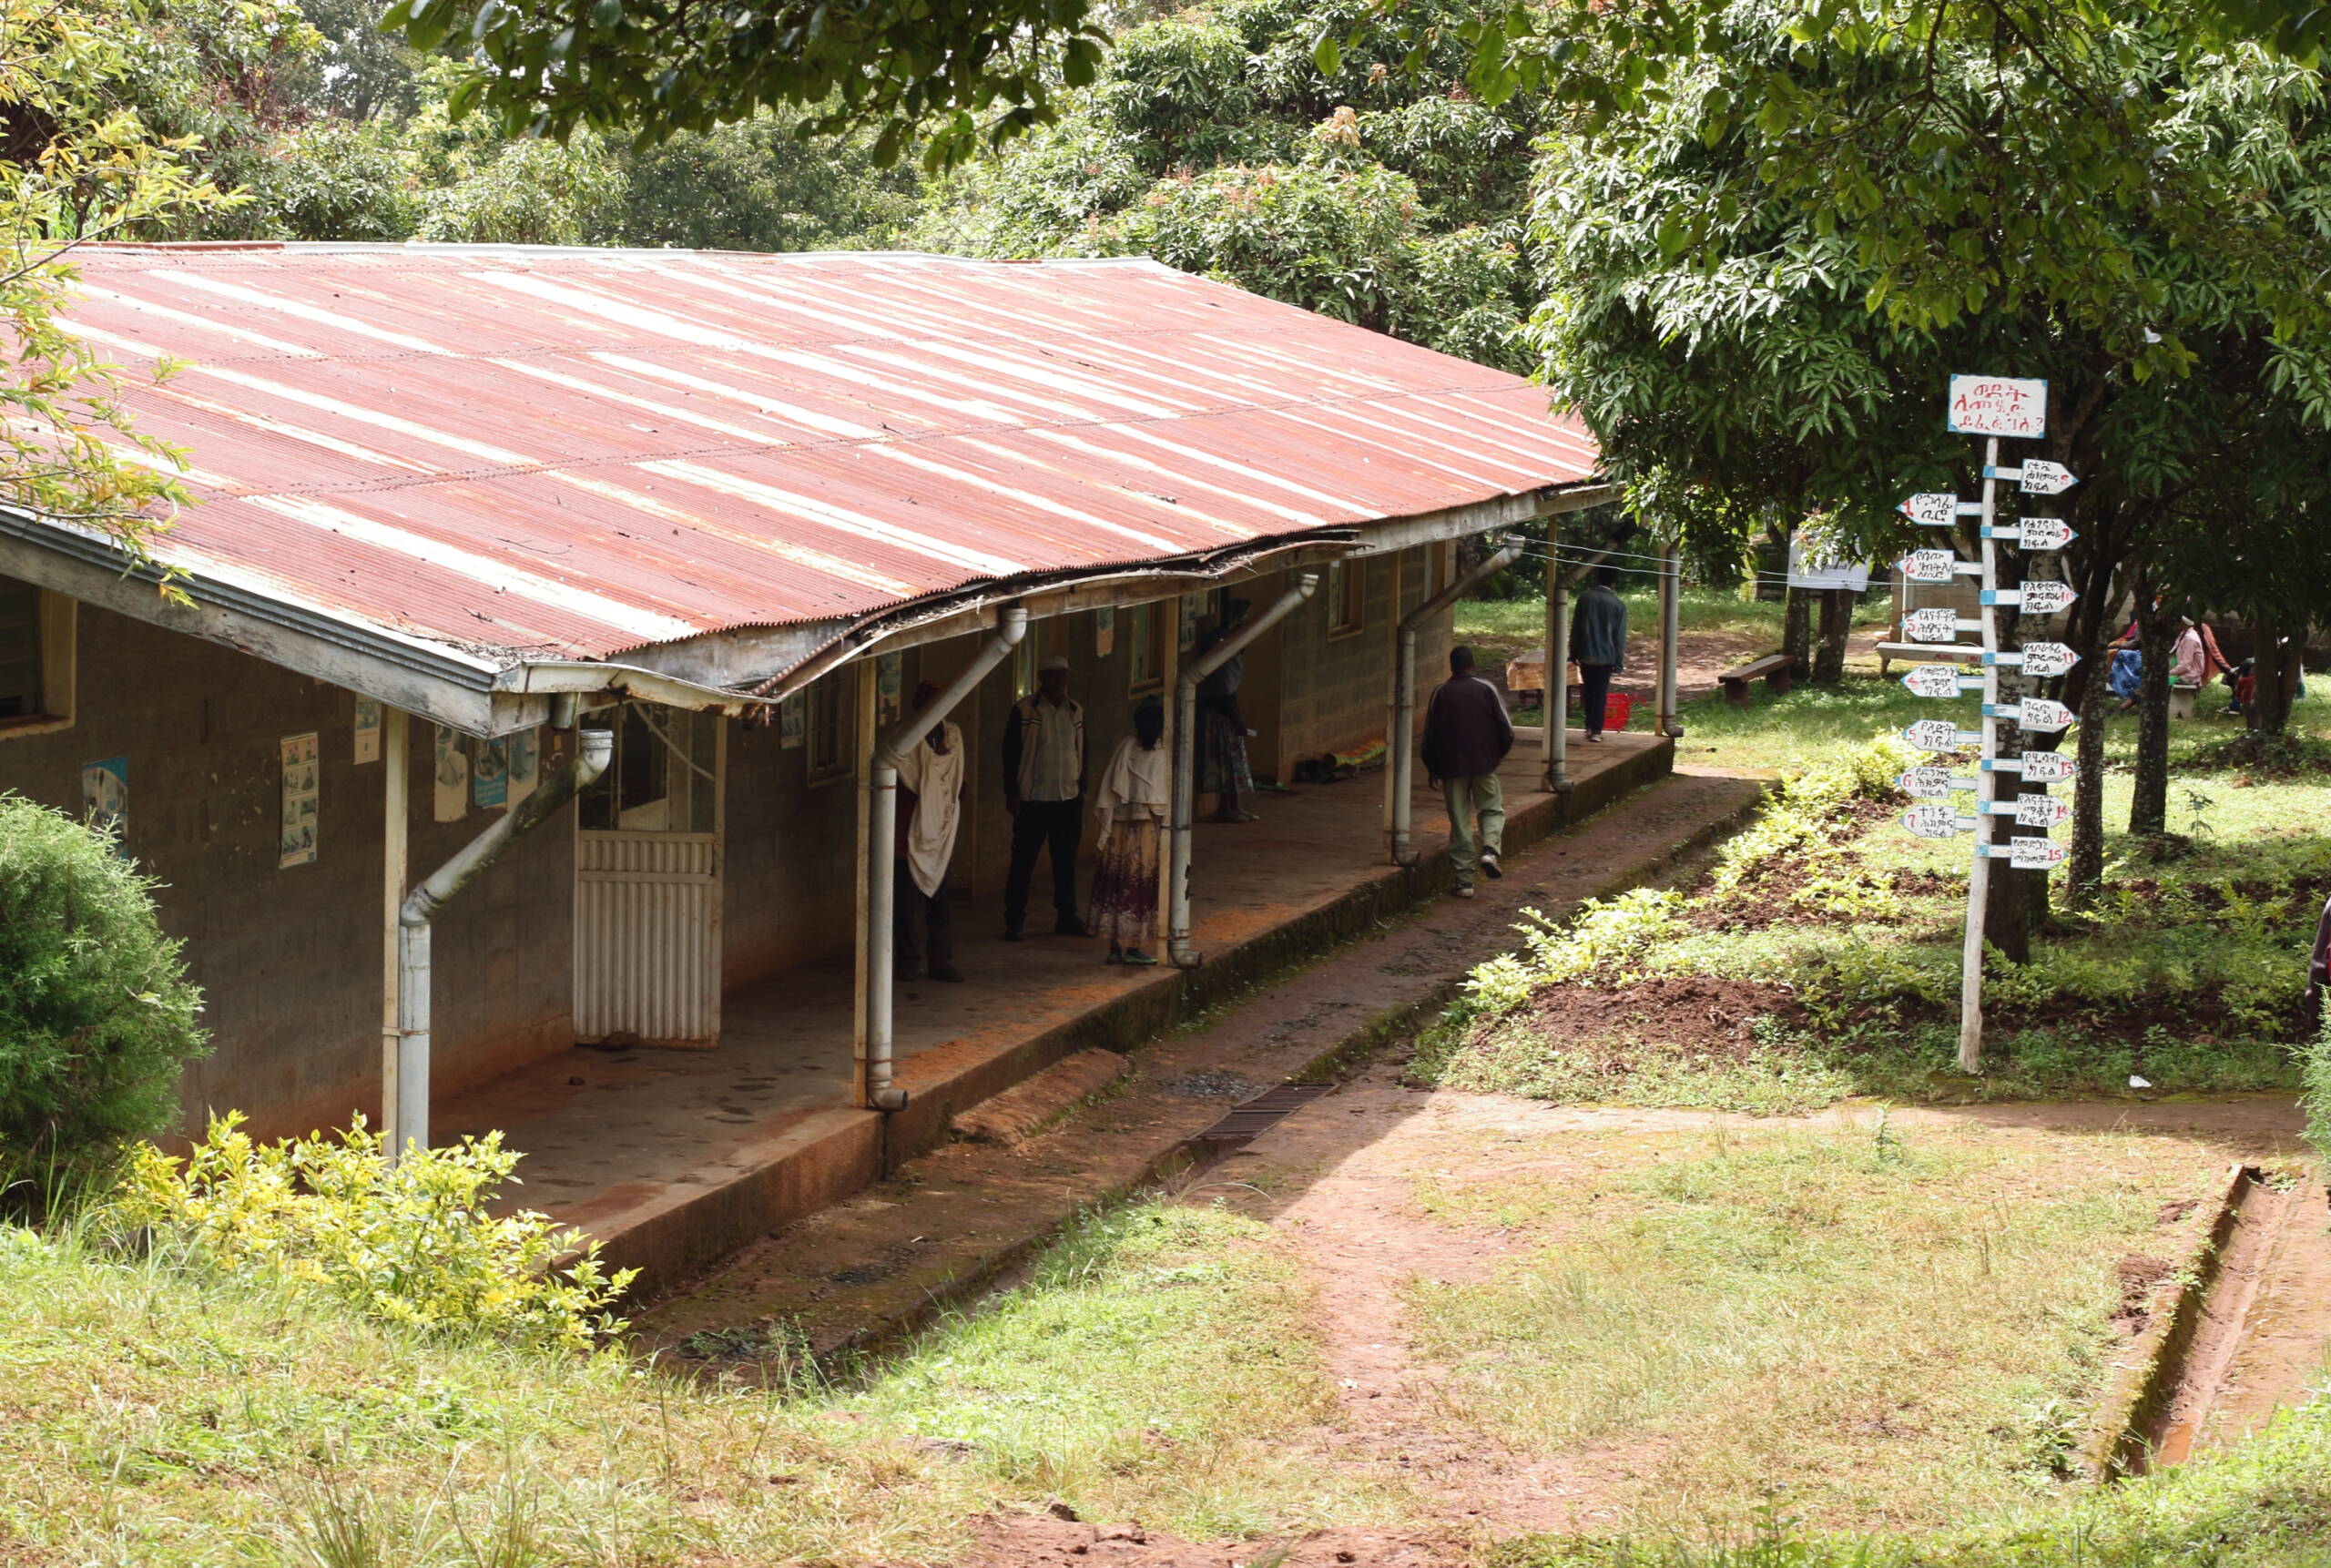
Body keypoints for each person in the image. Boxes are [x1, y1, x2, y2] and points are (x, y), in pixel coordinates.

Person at [1002, 653, 1090, 941]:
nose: (1060, 680)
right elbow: (1010, 754)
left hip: (1068, 799)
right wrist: (1012, 793)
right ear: (1042, 678)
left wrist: (1082, 783)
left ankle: (1066, 917)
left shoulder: (1075, 710)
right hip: (1033, 800)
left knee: (1065, 864)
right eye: (1054, 674)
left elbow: (1082, 748)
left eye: (1064, 674)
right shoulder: (1025, 710)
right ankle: (1014, 921)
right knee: (1023, 864)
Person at [1420, 645, 1513, 899]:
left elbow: (1430, 735)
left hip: (1451, 768)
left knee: (1460, 822)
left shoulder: (1440, 692)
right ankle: (1490, 851)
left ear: (1451, 666)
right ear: (1473, 665)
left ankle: (1464, 882)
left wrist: (1432, 767)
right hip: (1484, 765)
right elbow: (1506, 729)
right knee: (1492, 809)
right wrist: (1495, 757)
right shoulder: (1486, 688)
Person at [1088, 697, 1170, 965]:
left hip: (1120, 830)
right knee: (1140, 886)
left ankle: (1115, 948)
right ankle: (1133, 948)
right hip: (1145, 831)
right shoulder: (1162, 751)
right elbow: (1161, 796)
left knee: (1117, 884)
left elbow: (1110, 787)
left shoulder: (1126, 746)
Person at [892, 681, 965, 983]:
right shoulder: (904, 738)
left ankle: (940, 960)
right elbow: (902, 781)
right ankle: (907, 962)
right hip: (907, 832)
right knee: (905, 906)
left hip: (939, 833)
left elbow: (956, 781)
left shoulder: (951, 736)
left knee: (940, 901)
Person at [1197, 599, 1258, 822]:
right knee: (1228, 763)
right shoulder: (1222, 644)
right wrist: (1235, 717)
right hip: (1220, 712)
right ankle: (1226, 806)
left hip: (1226, 708)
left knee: (1234, 762)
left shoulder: (1229, 643)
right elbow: (1222, 688)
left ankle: (1233, 805)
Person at [1569, 566, 1628, 741]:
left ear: (1597, 578)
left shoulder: (1585, 598)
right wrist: (1619, 661)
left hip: (1585, 654)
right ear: (1614, 581)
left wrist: (1573, 653)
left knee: (1588, 691)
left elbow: (1576, 628)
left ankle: (1589, 726)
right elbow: (1619, 638)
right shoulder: (1618, 605)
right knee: (1600, 693)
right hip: (1606, 657)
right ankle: (1596, 731)